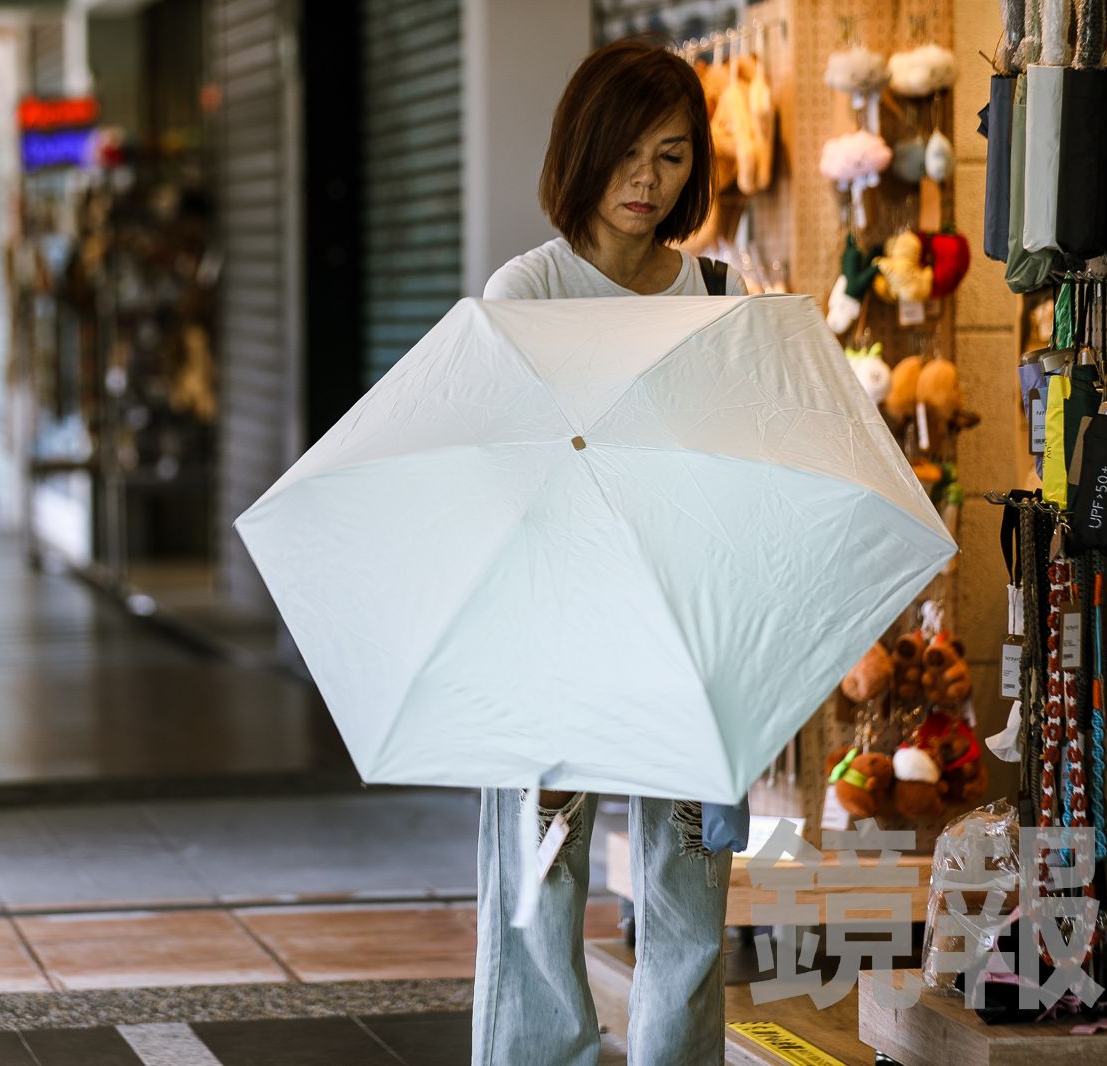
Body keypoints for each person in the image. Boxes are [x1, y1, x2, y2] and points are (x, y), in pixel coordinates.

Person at [473, 37, 749, 1066]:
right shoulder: (528, 290)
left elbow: (739, 468)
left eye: (671, 156)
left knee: (688, 886)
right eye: (628, 152)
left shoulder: (716, 293)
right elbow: (501, 469)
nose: (647, 180)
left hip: (683, 620)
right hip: (553, 621)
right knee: (540, 882)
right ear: (582, 151)